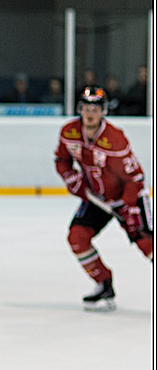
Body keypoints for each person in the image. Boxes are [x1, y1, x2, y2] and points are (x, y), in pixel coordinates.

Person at [53, 86, 153, 312]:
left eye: (95, 109)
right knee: (77, 237)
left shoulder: (114, 139)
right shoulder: (69, 132)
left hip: (129, 197)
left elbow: (135, 178)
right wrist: (71, 179)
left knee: (147, 244)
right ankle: (103, 284)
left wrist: (131, 209)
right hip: (97, 199)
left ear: (103, 112)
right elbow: (61, 159)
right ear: (80, 109)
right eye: (86, 108)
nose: (90, 113)